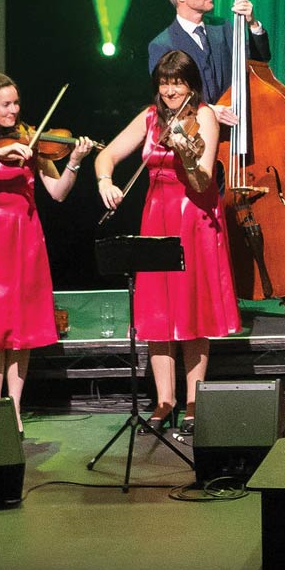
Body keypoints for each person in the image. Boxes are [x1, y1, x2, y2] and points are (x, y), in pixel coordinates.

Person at [94, 51, 240, 436]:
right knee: (158, 310)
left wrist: (186, 156)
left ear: (191, 85)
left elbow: (203, 181)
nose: (170, 90)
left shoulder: (204, 116)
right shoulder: (148, 117)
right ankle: (164, 400)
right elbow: (107, 155)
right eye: (164, 82)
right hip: (156, 215)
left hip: (194, 218)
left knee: (194, 310)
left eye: (177, 82)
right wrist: (105, 181)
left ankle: (194, 399)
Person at [0, 74, 95, 434]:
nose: (14, 110)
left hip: (25, 238)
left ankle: (13, 407)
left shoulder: (31, 140)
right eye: (6, 104)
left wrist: (75, 160)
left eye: (16, 103)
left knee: (21, 325)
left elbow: (58, 192)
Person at [146, 0, 269, 123]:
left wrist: (252, 23)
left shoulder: (223, 28)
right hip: (197, 135)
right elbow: (168, 99)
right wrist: (207, 111)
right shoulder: (162, 44)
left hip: (235, 124)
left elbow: (259, 61)